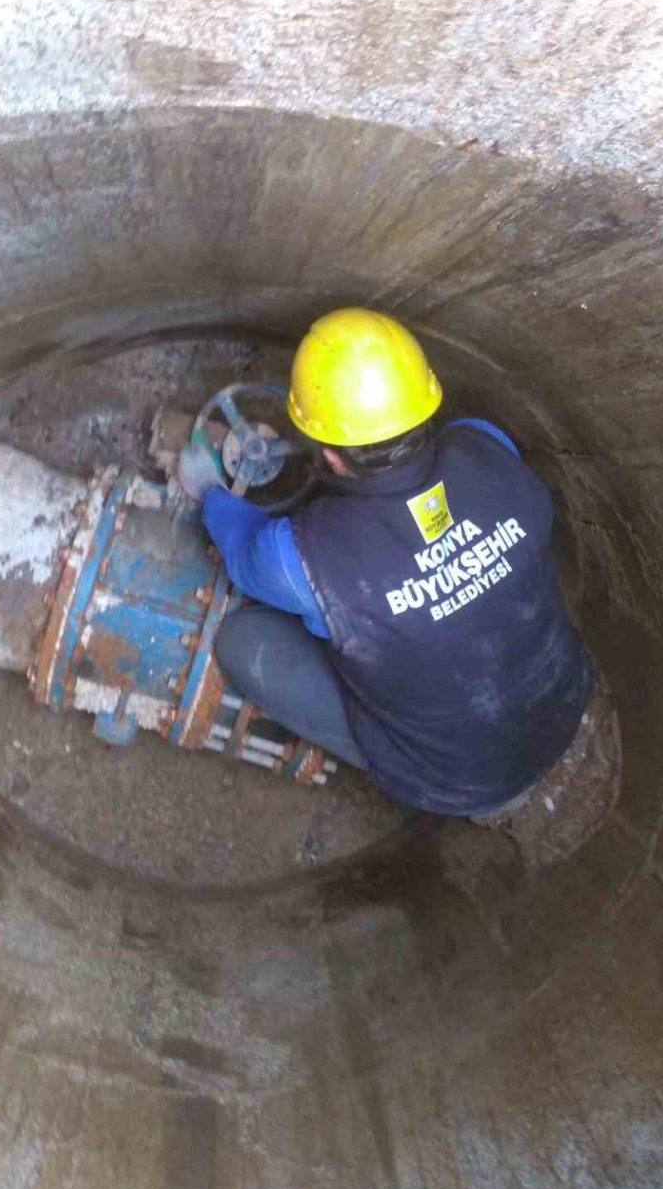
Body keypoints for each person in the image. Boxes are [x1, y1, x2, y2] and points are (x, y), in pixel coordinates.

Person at [178, 308, 593, 818]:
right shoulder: (488, 447)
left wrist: (209, 491)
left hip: (455, 782)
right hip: (565, 705)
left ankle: (409, 768)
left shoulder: (301, 559)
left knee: (243, 640)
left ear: (329, 456)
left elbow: (243, 554)